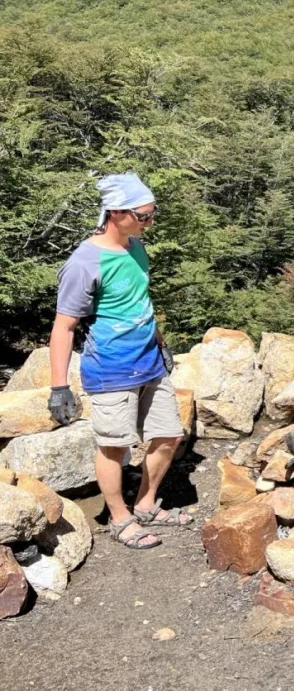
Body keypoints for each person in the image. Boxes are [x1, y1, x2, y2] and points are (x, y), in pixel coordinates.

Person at [47, 173, 192, 550]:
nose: (150, 222)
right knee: (113, 446)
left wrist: (160, 341)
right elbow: (64, 327)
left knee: (168, 435)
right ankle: (119, 518)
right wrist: (59, 386)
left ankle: (144, 504)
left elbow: (140, 300)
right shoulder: (85, 262)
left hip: (149, 361)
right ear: (115, 212)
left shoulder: (134, 246)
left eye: (151, 213)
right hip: (111, 367)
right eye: (142, 216)